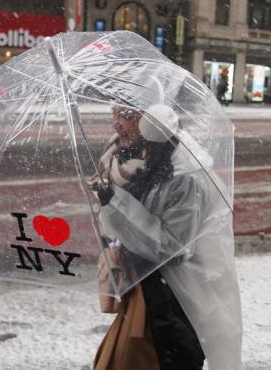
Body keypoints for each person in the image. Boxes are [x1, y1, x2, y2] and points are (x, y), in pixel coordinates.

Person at [91, 104, 242, 370]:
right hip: (143, 292)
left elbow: (173, 247)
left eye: (125, 116)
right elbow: (120, 229)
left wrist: (115, 203)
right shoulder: (123, 162)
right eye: (113, 114)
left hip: (175, 298)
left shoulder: (183, 176)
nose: (116, 124)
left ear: (153, 121)